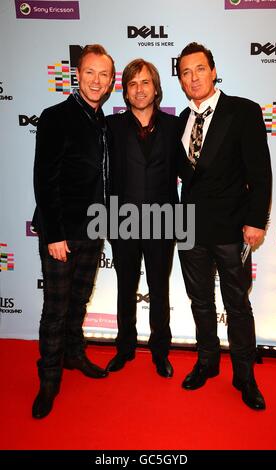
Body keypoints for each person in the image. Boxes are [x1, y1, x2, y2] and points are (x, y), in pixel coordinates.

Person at [176, 42, 272, 410]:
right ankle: (207, 362)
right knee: (200, 302)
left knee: (237, 305)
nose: (193, 77)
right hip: (189, 228)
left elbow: (260, 172)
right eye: (185, 72)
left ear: (213, 71)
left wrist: (255, 221)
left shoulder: (243, 111)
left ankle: (245, 377)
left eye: (199, 69)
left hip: (233, 228)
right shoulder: (180, 122)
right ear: (181, 81)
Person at [32, 44, 115, 419]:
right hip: (62, 232)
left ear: (111, 80)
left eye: (105, 74)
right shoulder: (56, 117)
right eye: (91, 73)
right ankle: (48, 381)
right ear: (77, 75)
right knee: (56, 308)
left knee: (79, 302)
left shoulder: (104, 122)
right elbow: (44, 180)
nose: (98, 81)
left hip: (94, 228)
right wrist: (53, 235)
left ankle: (73, 355)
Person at [106, 59, 182, 377]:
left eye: (145, 82)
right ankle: (125, 348)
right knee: (125, 287)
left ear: (156, 88)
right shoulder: (110, 127)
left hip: (163, 220)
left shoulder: (175, 126)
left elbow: (191, 172)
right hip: (121, 220)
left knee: (159, 288)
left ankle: (160, 351)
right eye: (133, 83)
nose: (139, 89)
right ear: (125, 90)